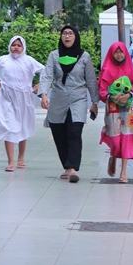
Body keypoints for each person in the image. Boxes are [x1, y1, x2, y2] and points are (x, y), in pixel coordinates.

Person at [38, 25, 100, 183]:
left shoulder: (84, 56)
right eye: (64, 34)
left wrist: (94, 101)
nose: (67, 37)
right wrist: (44, 94)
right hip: (58, 98)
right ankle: (67, 166)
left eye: (70, 34)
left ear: (76, 37)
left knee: (74, 131)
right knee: (59, 133)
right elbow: (47, 76)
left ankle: (73, 168)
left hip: (78, 98)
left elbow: (91, 80)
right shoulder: (54, 55)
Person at [0, 36, 44, 172]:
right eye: (13, 45)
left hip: (25, 98)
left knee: (22, 126)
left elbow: (45, 71)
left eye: (19, 45)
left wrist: (40, 84)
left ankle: (21, 158)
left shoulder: (29, 61)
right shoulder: (3, 60)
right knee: (9, 126)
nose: (16, 47)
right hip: (7, 97)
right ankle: (10, 161)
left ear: (23, 47)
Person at [98, 42, 133, 183]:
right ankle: (113, 154)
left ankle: (123, 172)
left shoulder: (130, 67)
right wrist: (111, 97)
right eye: (116, 52)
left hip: (128, 109)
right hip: (112, 108)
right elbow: (102, 90)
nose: (119, 55)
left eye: (121, 52)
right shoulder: (107, 69)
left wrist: (128, 95)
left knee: (126, 137)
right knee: (115, 138)